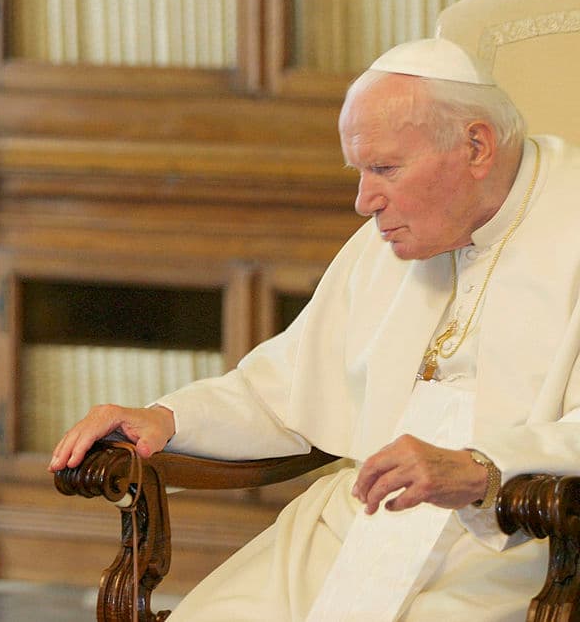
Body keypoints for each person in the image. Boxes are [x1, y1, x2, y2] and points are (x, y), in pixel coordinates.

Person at [50, 37, 580, 621]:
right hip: (354, 526)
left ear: (476, 145)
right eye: (359, 171)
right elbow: (283, 386)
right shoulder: (393, 240)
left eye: (384, 168)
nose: (362, 201)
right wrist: (166, 420)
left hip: (513, 546)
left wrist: (481, 468)